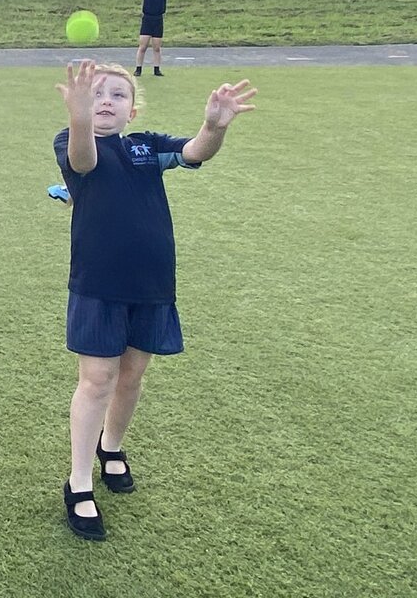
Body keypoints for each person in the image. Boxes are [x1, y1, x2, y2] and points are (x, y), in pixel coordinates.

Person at [53, 59, 255, 540]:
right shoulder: (71, 141)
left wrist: (213, 126)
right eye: (97, 93)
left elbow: (194, 151)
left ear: (132, 110)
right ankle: (79, 483)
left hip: (152, 284)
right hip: (98, 284)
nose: (106, 100)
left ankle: (113, 448)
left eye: (117, 95)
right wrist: (79, 117)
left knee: (132, 376)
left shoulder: (146, 147)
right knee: (97, 379)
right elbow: (84, 161)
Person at [133, 0, 177, 77]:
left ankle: (156, 69)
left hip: (158, 19)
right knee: (143, 46)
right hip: (147, 19)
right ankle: (138, 69)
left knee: (157, 47)